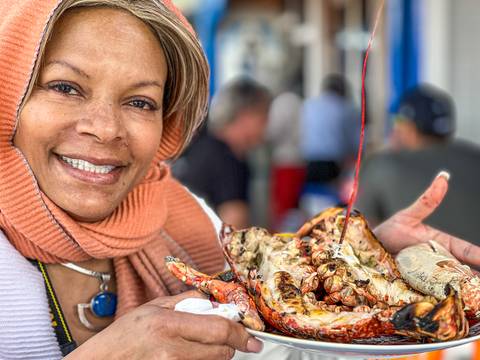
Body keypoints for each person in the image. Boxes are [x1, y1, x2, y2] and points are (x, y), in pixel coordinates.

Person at [1, 2, 480, 360]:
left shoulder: (185, 215)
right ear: (9, 95)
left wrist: (359, 270)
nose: (105, 128)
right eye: (65, 87)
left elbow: (271, 347)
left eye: (140, 101)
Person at [357, 84, 480, 244]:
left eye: (397, 121)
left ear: (409, 127)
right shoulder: (475, 157)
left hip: (415, 267)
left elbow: (360, 231)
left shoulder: (383, 166)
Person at [174, 77, 272, 229]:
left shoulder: (202, 145)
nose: (266, 127)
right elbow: (234, 233)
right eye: (263, 118)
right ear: (246, 115)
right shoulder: (229, 160)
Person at [299, 74, 360, 217]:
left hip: (308, 161)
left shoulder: (308, 105)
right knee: (334, 206)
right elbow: (354, 142)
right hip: (332, 163)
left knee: (310, 200)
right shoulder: (346, 108)